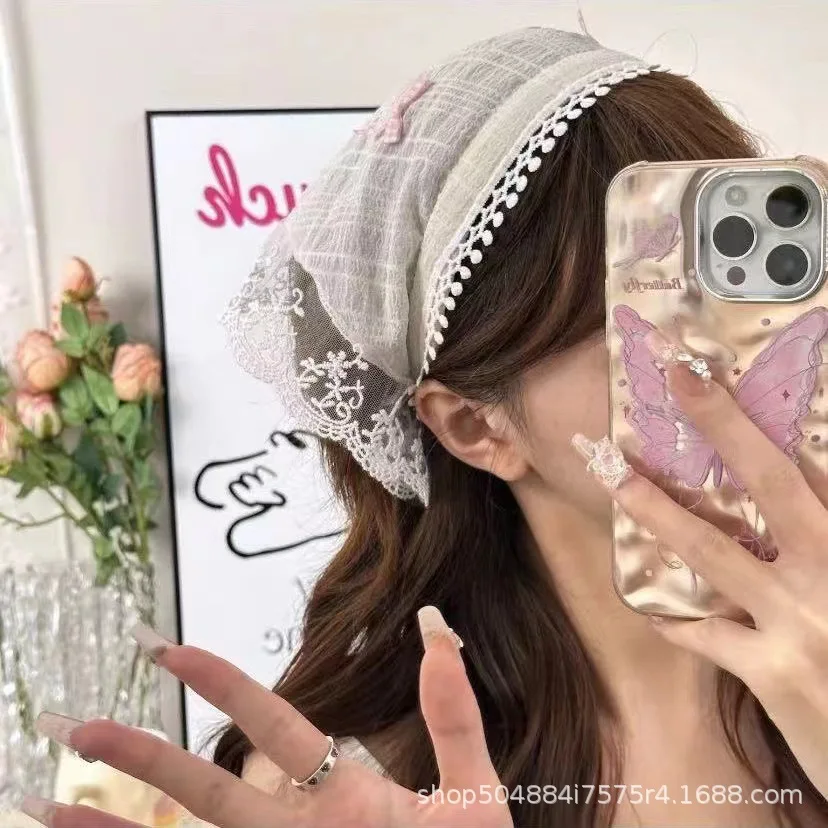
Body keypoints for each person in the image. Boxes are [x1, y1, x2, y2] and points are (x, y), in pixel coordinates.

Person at [20, 27, 828, 828]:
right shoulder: (380, 789)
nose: (739, 366)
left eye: (759, 301)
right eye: (651, 326)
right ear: (476, 427)